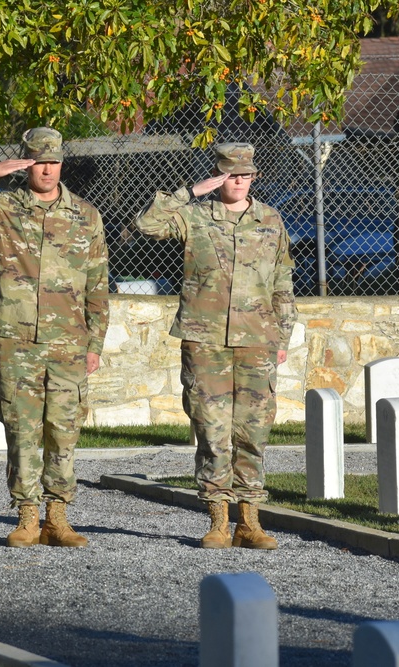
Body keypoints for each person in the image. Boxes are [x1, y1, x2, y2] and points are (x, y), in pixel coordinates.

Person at [0, 127, 109, 548]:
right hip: (17, 336)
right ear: (27, 163)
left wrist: (95, 344)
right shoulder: (2, 207)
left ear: (62, 163)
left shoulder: (86, 214)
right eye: (37, 161)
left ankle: (58, 517)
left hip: (69, 339)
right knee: (21, 425)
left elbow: (98, 283)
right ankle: (27, 515)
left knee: (63, 428)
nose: (46, 169)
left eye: (52, 161)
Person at [134, 143, 297, 550]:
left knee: (253, 431)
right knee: (211, 430)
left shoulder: (270, 220)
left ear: (254, 177)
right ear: (219, 175)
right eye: (230, 174)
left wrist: (282, 335)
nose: (238, 181)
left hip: (257, 340)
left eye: (245, 174)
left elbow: (282, 282)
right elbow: (148, 224)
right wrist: (192, 191)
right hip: (205, 340)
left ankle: (250, 522)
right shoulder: (194, 217)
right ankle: (218, 522)